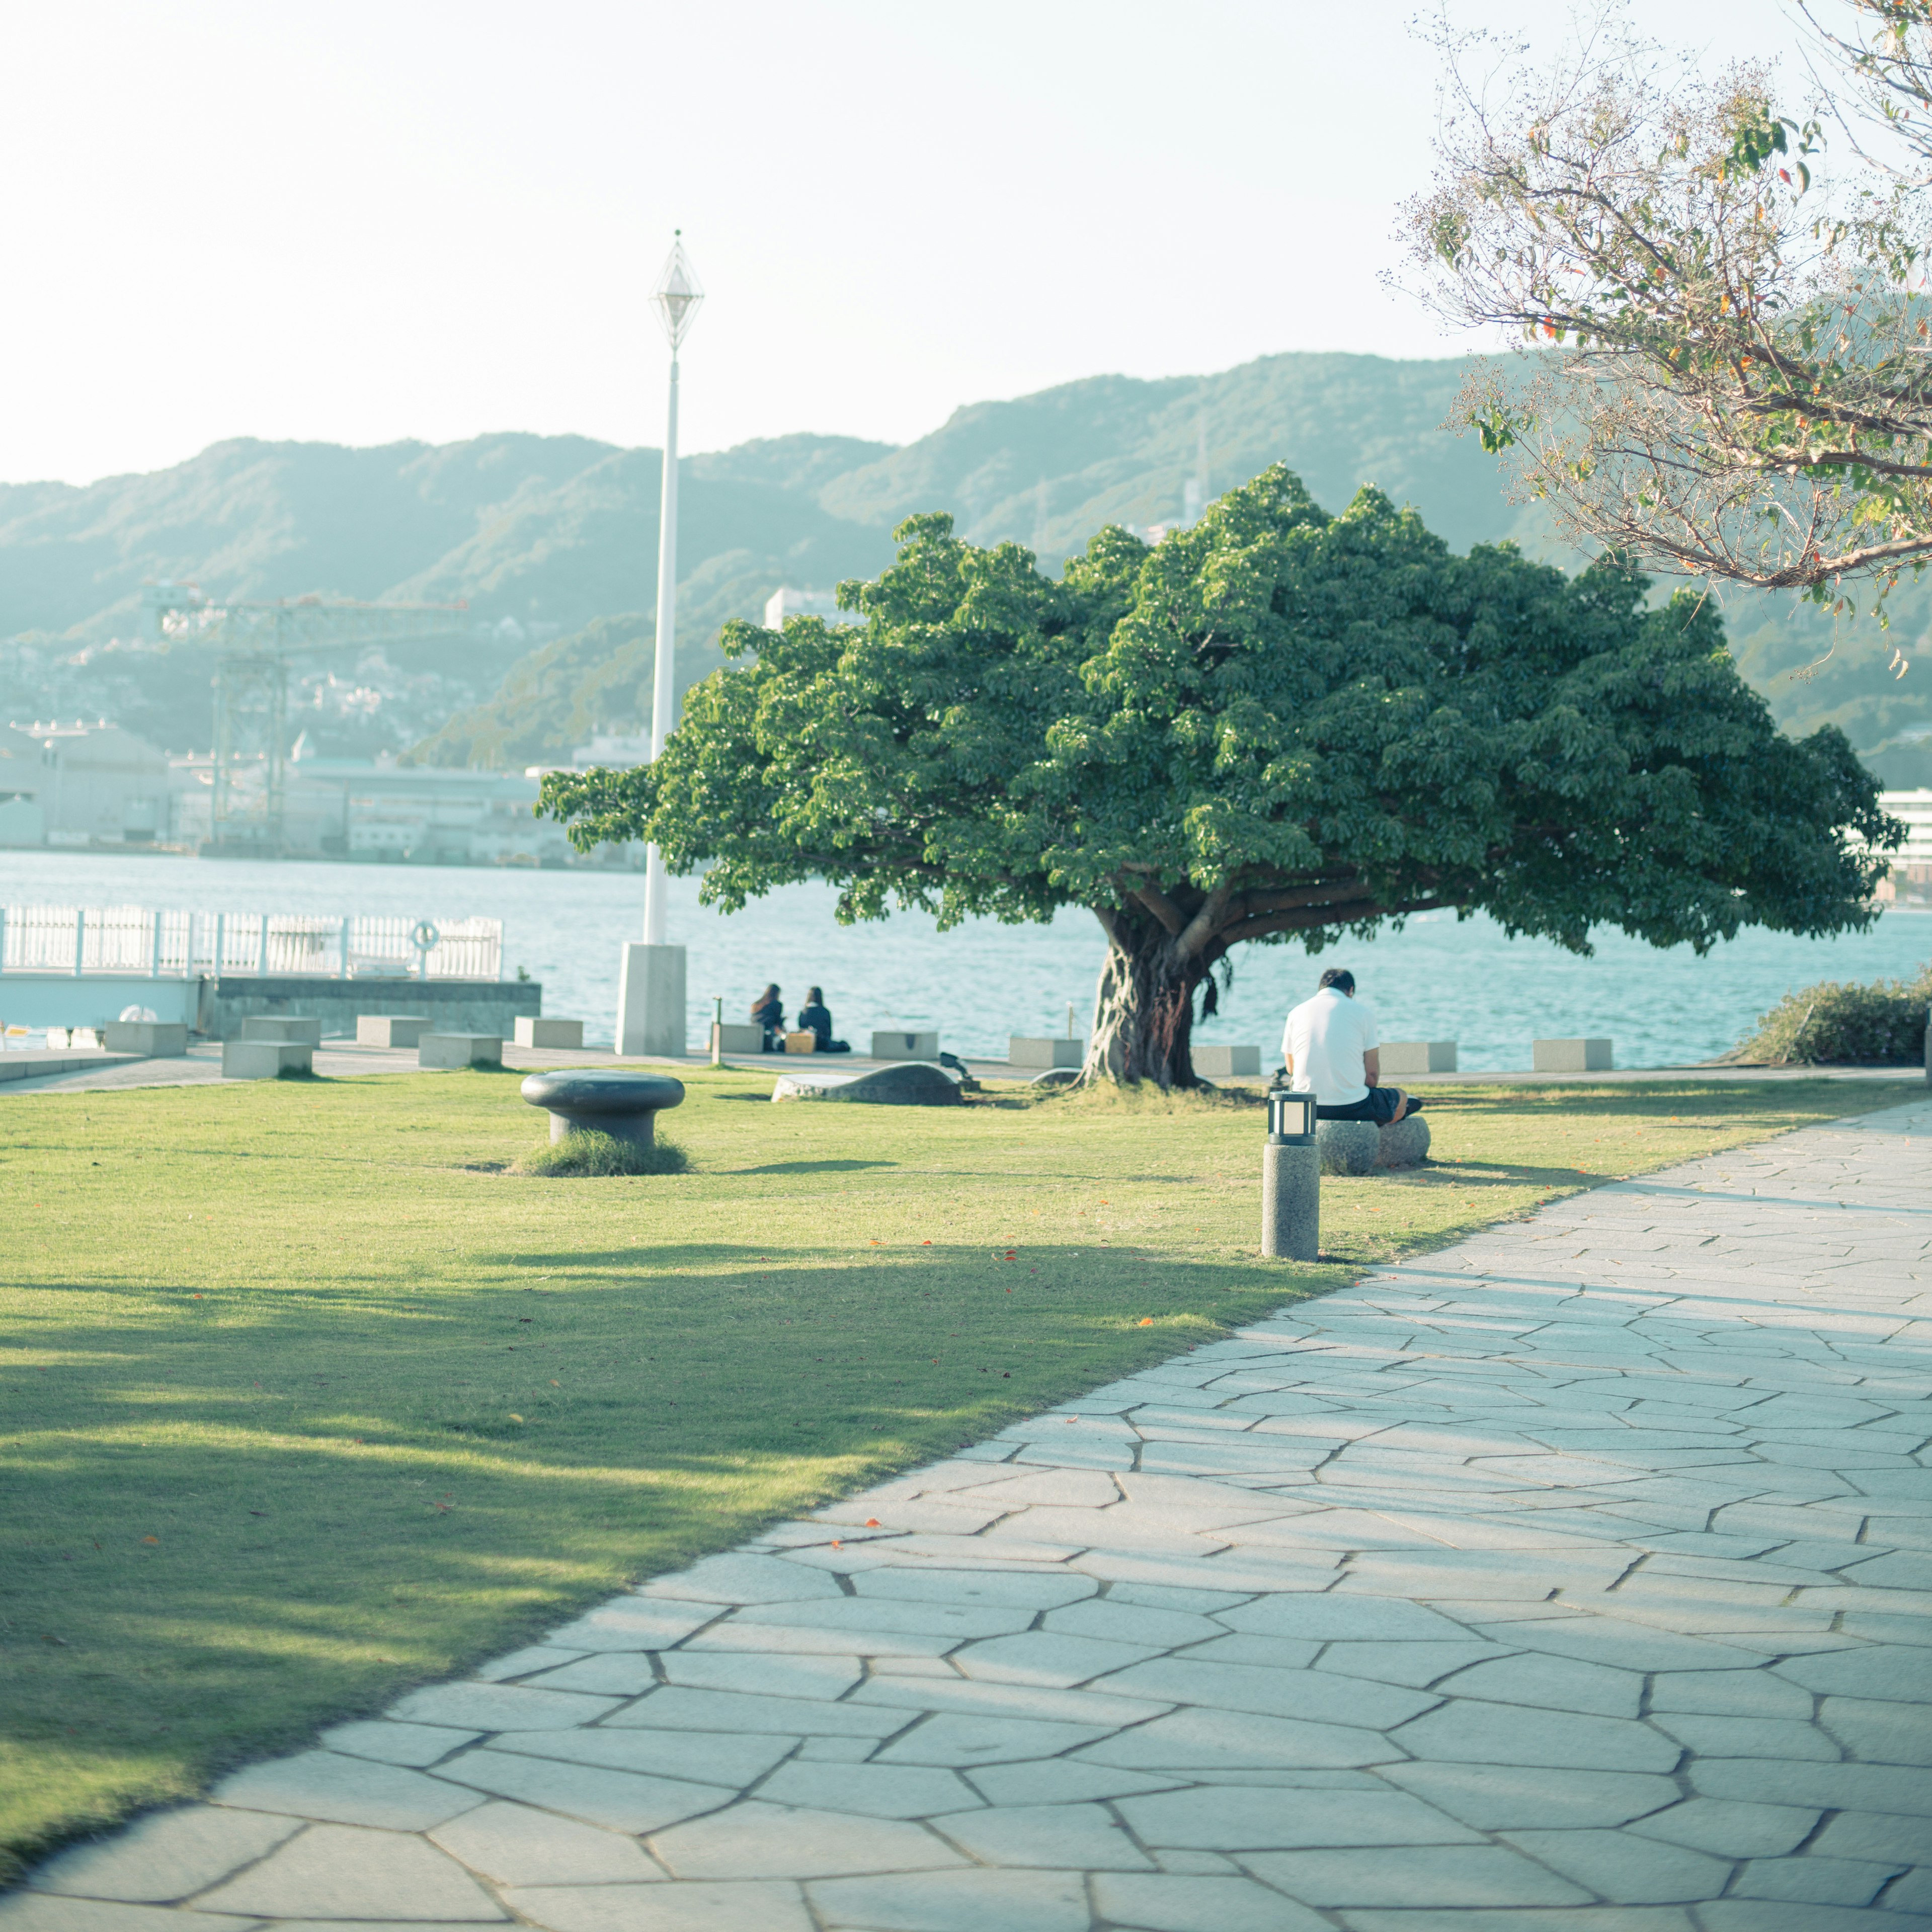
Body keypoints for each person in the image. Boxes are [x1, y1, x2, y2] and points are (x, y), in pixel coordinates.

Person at [1279, 967, 1420, 1125]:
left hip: (1306, 1107)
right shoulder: (1363, 1013)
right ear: (1351, 990)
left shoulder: (1295, 1013)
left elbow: (1292, 1069)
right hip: (1352, 1106)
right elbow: (1372, 1076)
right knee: (1401, 1096)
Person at [795, 985, 851, 1053]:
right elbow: (829, 1031)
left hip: (808, 1043)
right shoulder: (825, 1012)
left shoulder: (803, 1012)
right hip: (823, 1043)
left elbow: (801, 1027)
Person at [750, 983, 783, 1051]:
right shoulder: (777, 1004)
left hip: (754, 1028)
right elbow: (778, 1021)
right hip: (768, 1029)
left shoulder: (757, 1004)